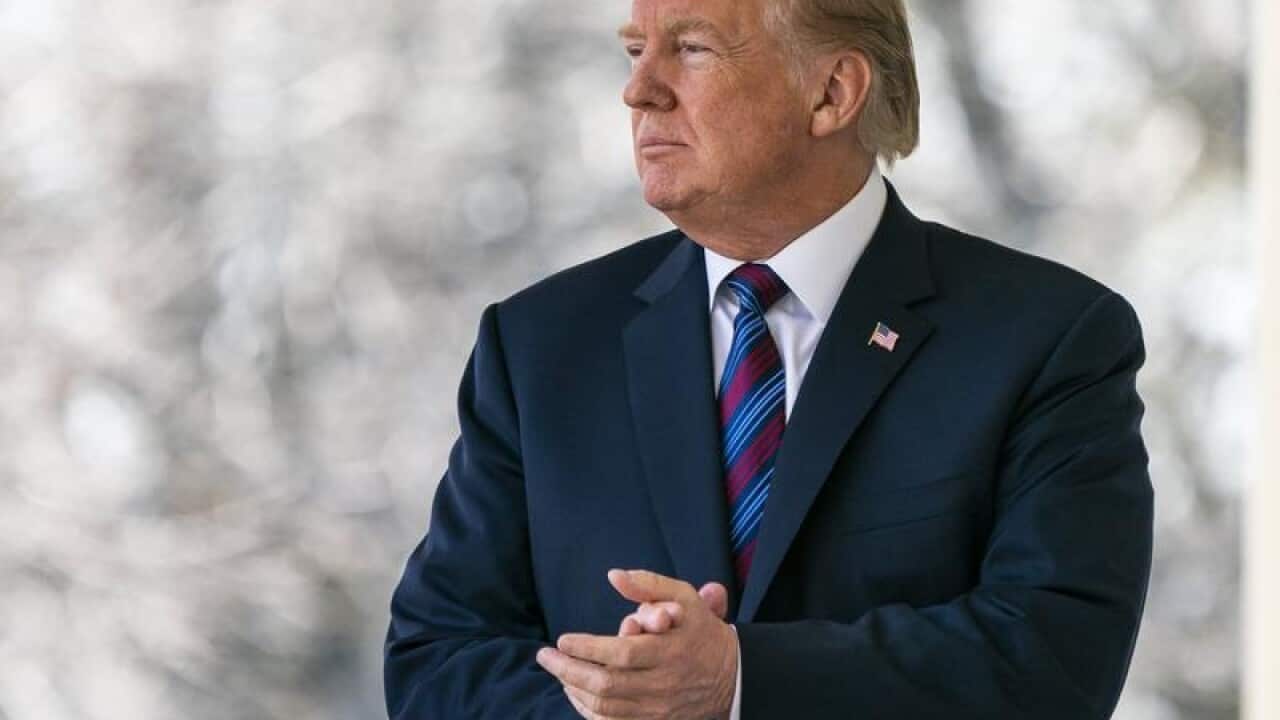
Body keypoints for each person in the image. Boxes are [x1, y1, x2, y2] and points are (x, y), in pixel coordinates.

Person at [384, 0, 1153, 717]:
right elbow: (435, 660)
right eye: (633, 51)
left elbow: (1053, 655)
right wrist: (627, 702)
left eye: (690, 49)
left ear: (831, 92)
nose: (639, 91)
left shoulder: (1049, 338)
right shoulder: (540, 346)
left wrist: (740, 680)